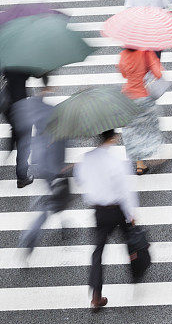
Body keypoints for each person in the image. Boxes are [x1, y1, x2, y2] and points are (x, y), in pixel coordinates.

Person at [75, 130, 138, 311]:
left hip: (99, 212)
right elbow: (124, 192)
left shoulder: (86, 158)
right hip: (116, 209)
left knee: (98, 252)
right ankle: (136, 271)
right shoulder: (115, 163)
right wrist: (130, 214)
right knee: (130, 240)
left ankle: (96, 296)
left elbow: (80, 179)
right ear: (112, 138)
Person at [18, 76, 69, 253]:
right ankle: (29, 238)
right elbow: (61, 140)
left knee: (56, 194)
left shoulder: (31, 105)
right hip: (52, 163)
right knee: (51, 201)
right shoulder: (52, 111)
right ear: (49, 87)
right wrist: (61, 164)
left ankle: (63, 223)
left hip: (39, 159)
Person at [119, 48, 163, 174]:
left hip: (128, 97)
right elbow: (157, 73)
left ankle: (140, 164)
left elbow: (124, 74)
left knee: (133, 129)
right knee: (148, 127)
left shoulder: (123, 54)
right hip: (144, 96)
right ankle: (151, 150)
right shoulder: (146, 52)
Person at [4, 71, 33, 188]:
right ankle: (22, 178)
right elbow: (35, 73)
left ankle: (13, 140)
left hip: (7, 105)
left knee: (17, 131)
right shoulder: (21, 64)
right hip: (20, 107)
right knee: (24, 142)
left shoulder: (6, 60)